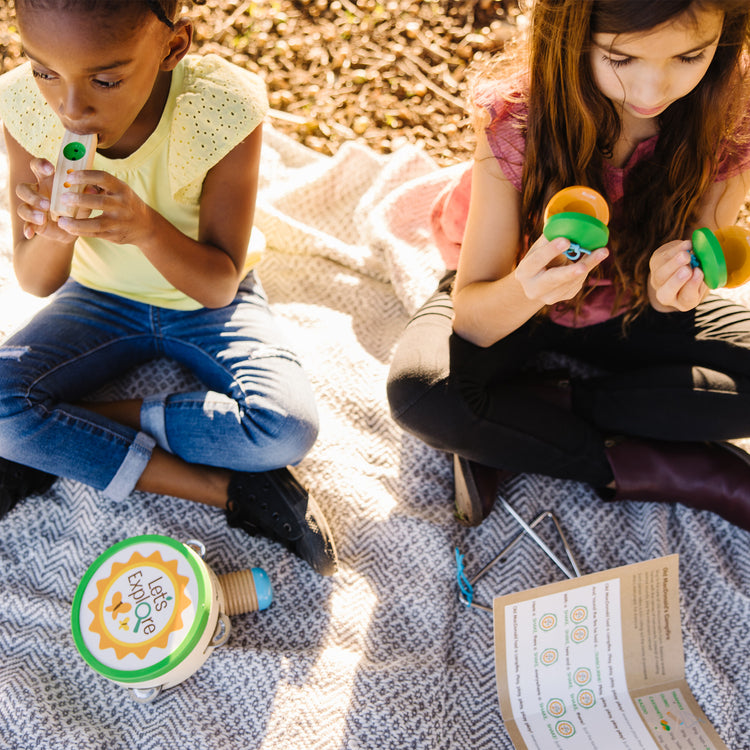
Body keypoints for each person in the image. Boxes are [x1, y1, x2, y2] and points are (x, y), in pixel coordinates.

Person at [0, 0, 338, 575]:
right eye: (43, 70)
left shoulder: (219, 110)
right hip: (97, 300)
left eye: (105, 79)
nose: (70, 107)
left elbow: (218, 285)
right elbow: (36, 279)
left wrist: (146, 228)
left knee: (285, 429)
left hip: (202, 303)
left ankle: (74, 429)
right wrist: (53, 232)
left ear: (172, 47)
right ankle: (230, 490)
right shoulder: (27, 111)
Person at [387, 0, 750, 531]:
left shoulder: (730, 112)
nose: (653, 92)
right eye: (621, 59)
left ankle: (523, 412)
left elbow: (695, 249)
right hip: (517, 298)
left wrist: (667, 290)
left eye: (689, 57)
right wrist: (529, 289)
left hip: (630, 301)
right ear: (571, 35)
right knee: (422, 393)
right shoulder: (515, 119)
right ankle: (669, 466)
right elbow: (473, 321)